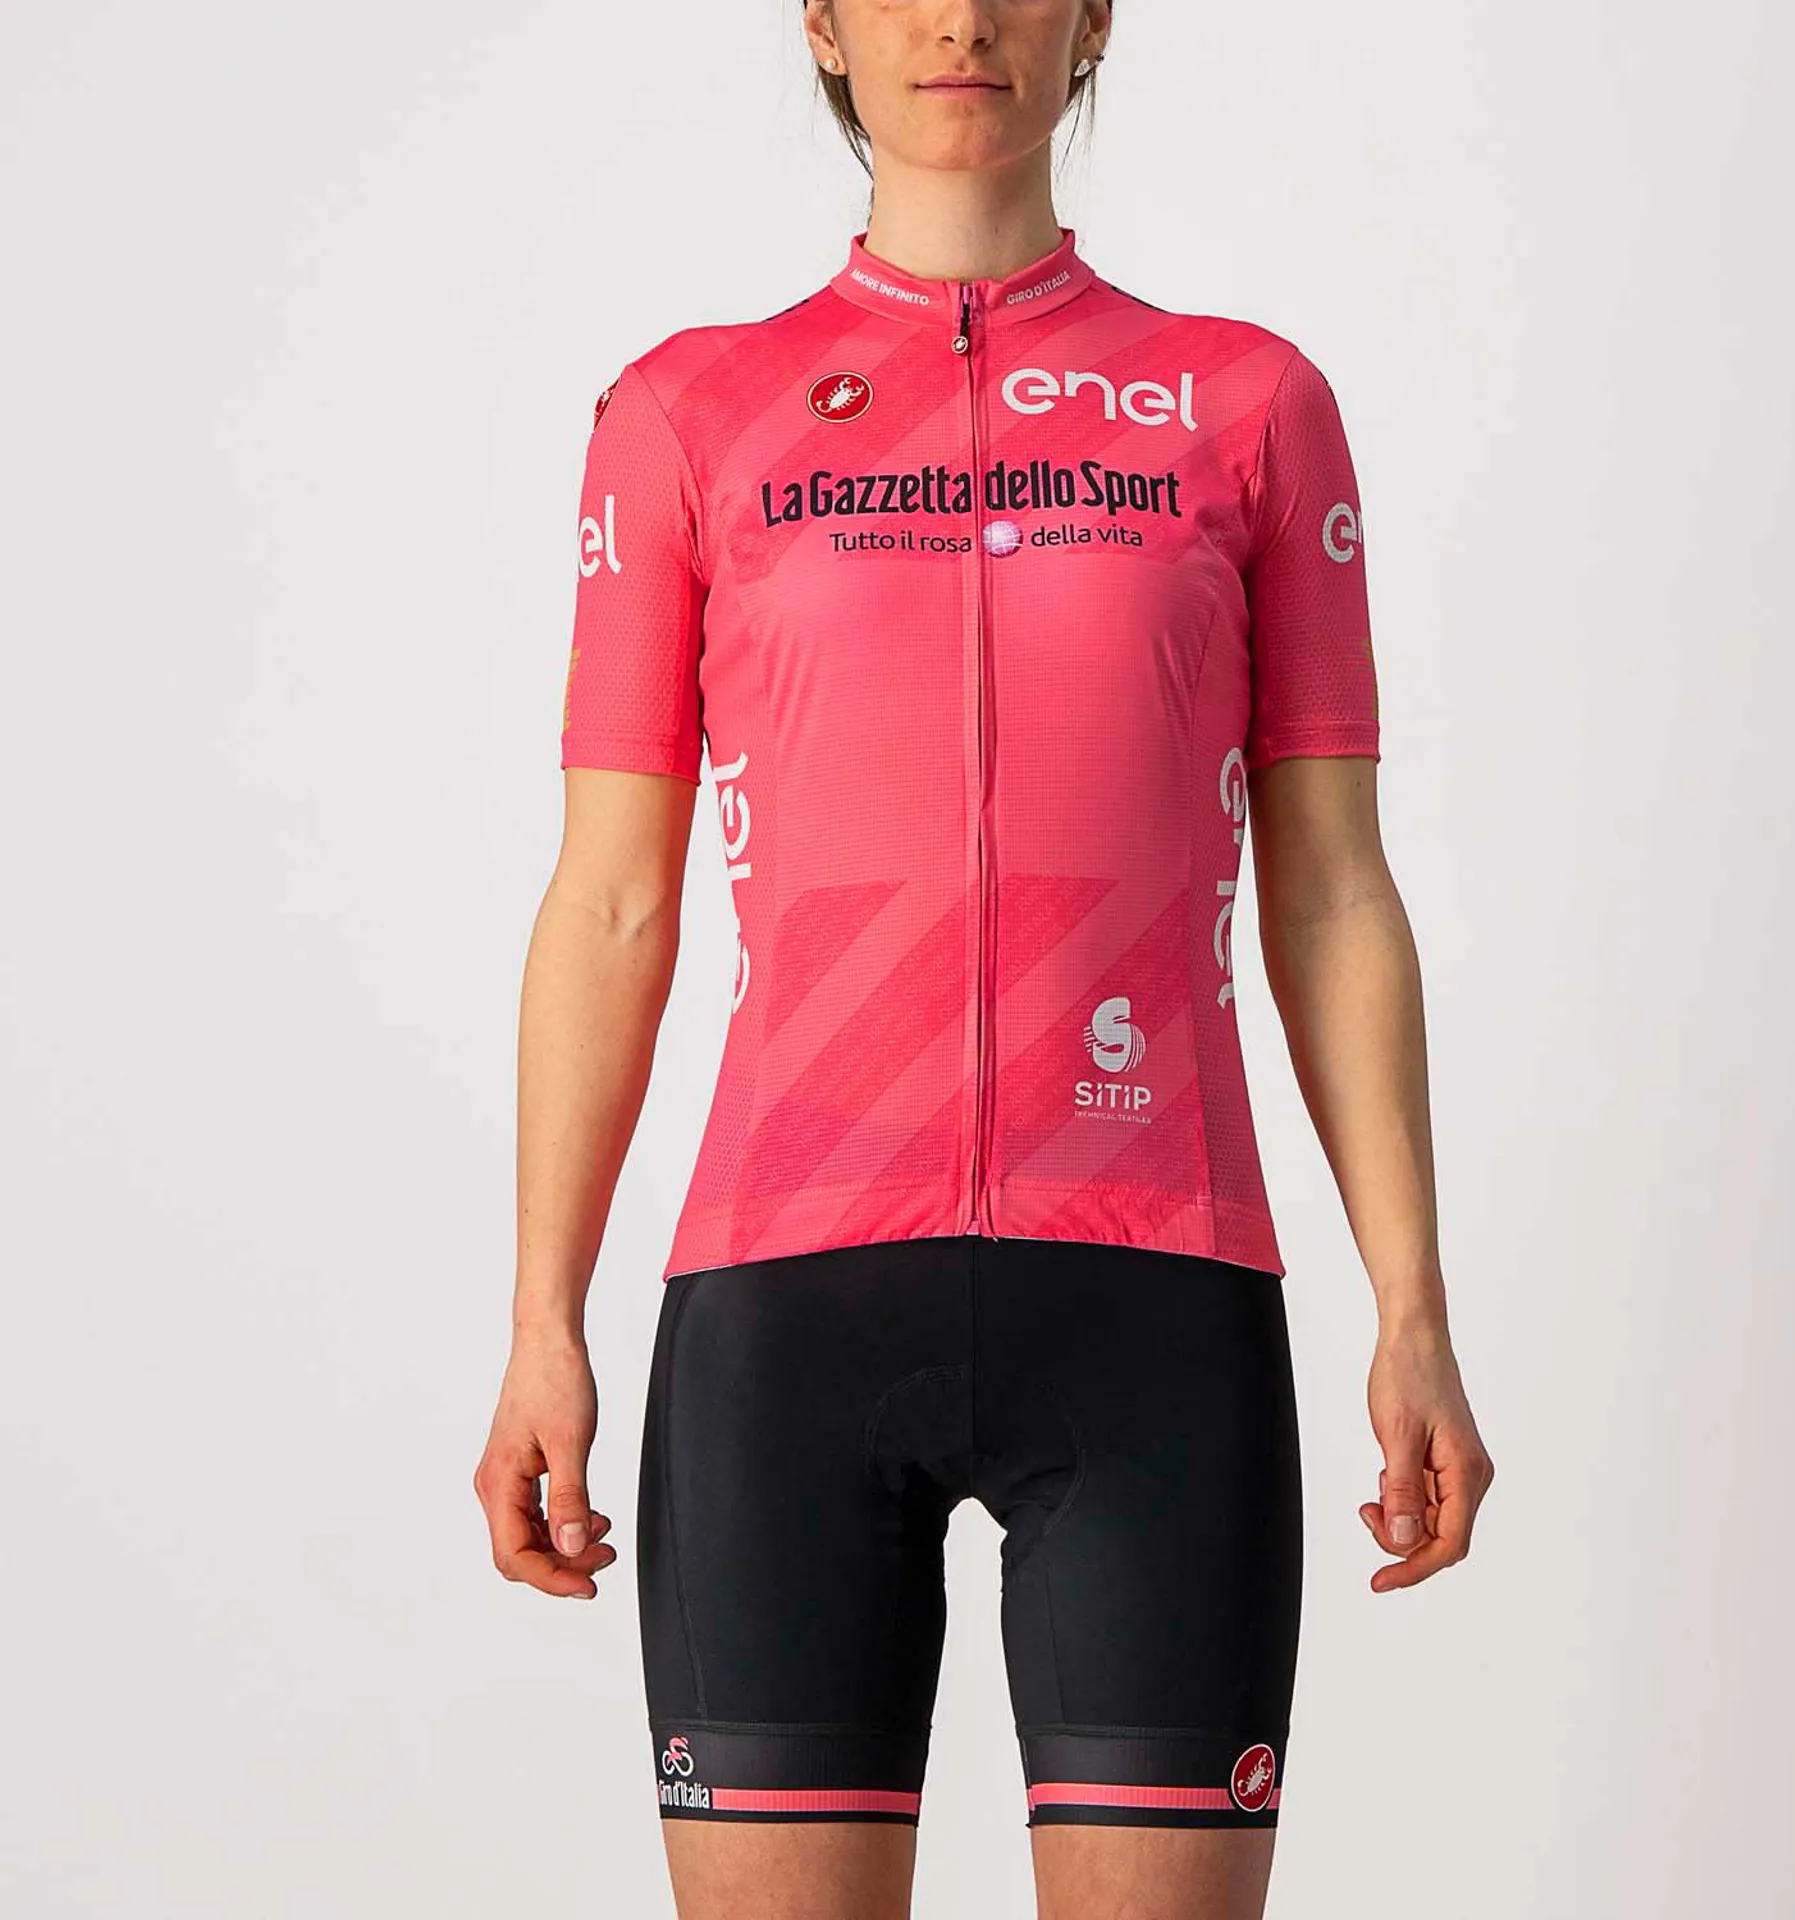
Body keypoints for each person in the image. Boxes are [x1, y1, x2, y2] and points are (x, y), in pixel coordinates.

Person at [474, 2, 1495, 1914]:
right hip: (784, 1306)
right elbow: (611, 900)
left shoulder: (1247, 403)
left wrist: (1413, 1306)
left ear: (1092, 14)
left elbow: (1335, 890)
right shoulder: (683, 416)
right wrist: (545, 1319)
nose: (960, 19)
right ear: (823, 19)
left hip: (1156, 1298)